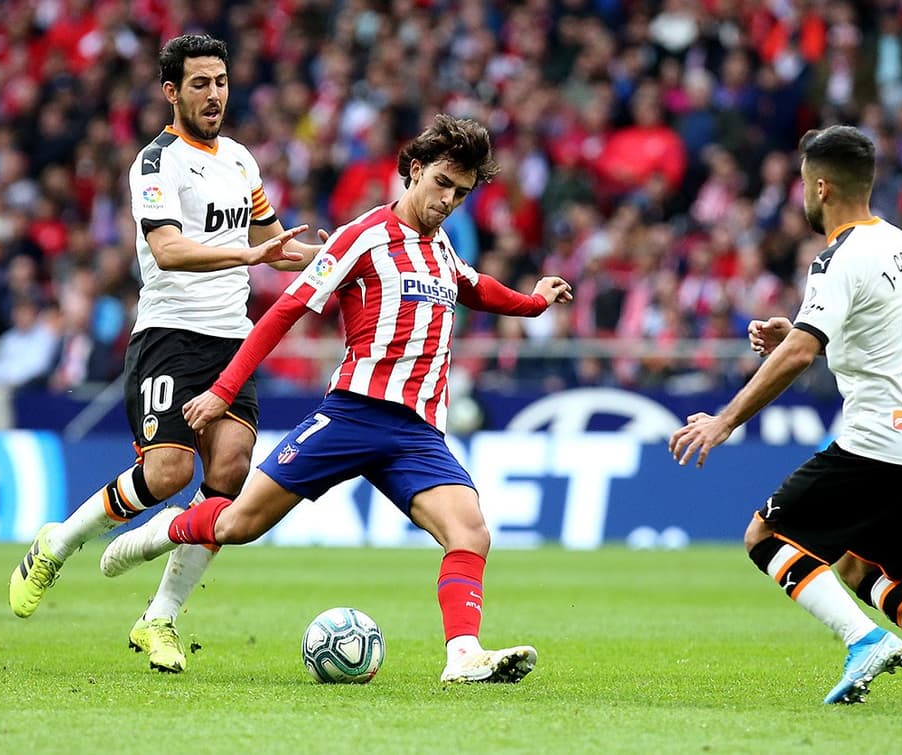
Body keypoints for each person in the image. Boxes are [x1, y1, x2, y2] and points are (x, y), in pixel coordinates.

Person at [98, 114, 574, 685]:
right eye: (443, 183)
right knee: (239, 525)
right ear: (415, 170)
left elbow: (476, 288)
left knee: (470, 532)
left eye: (462, 193)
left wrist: (533, 302)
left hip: (417, 433)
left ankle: (463, 654)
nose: (449, 200)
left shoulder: (441, 250)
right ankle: (161, 532)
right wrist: (223, 391)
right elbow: (286, 310)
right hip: (352, 414)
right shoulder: (363, 236)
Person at [7, 34, 324, 674]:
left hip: (232, 340)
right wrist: (249, 255)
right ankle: (55, 543)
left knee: (229, 480)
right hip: (169, 338)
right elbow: (172, 250)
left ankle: (160, 620)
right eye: (200, 84)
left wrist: (348, 255)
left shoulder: (240, 159)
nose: (215, 95)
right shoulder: (155, 164)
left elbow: (275, 244)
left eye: (222, 82)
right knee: (169, 475)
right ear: (171, 91)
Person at [669, 125, 902, 705]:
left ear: (820, 187)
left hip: (880, 442)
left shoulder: (836, 258)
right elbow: (871, 330)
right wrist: (794, 330)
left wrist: (723, 421)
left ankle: (862, 640)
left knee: (764, 535)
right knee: (861, 568)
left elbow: (803, 352)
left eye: (802, 184)